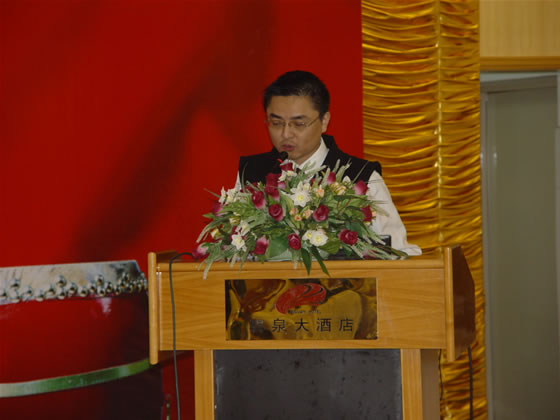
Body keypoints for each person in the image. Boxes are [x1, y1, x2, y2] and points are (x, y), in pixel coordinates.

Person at [236, 70, 421, 256]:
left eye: (298, 124)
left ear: (324, 121)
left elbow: (399, 252)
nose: (286, 134)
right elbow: (233, 248)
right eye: (276, 123)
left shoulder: (361, 176)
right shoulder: (251, 173)